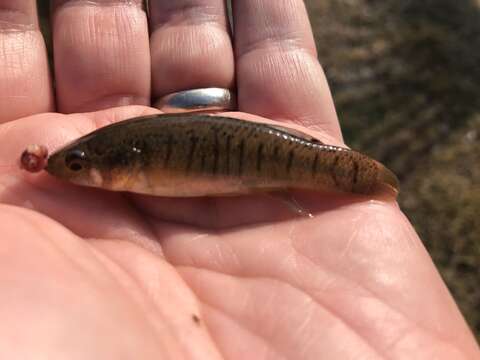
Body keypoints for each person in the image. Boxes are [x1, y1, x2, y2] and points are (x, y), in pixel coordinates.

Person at [0, 1, 477, 358]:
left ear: (125, 163)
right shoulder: (118, 156)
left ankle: (346, 178)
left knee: (343, 175)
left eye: (79, 167)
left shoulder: (130, 155)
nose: (71, 174)